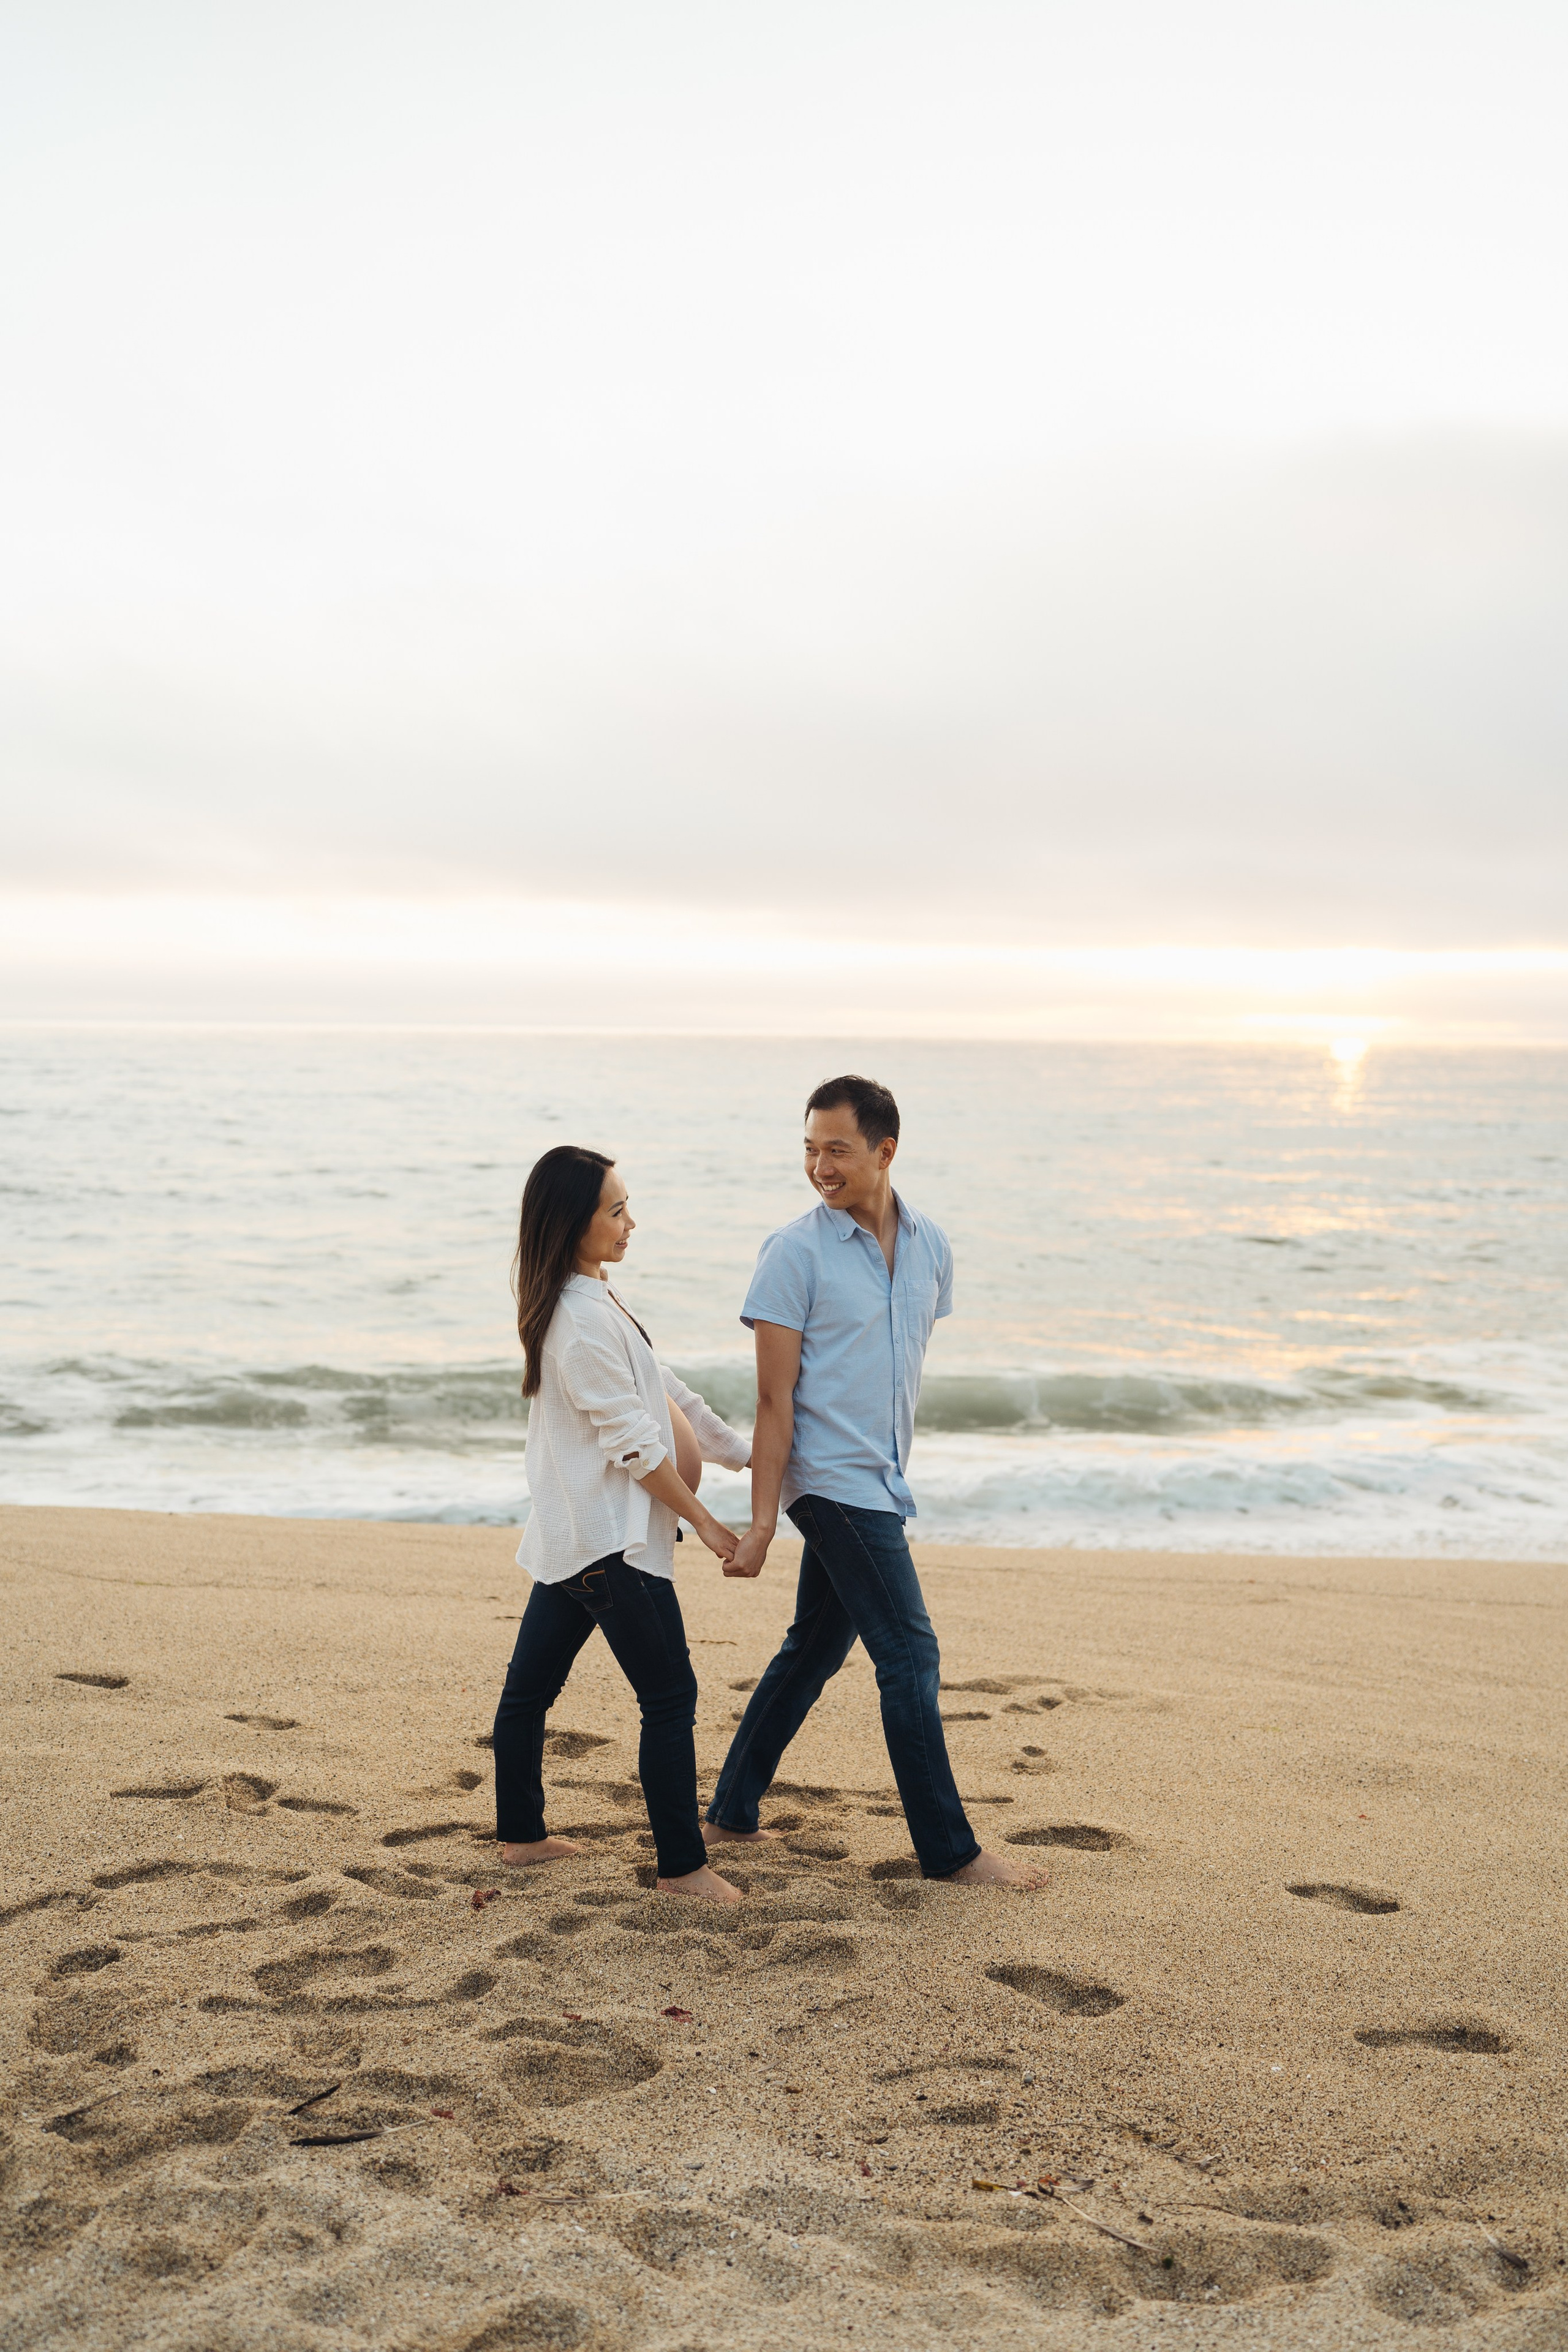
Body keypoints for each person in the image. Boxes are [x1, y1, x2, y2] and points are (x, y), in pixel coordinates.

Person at [706, 1076, 1046, 1890]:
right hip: (829, 1483)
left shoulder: (931, 1247)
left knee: (815, 1647)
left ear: (885, 1151)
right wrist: (761, 1524)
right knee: (909, 1651)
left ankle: (729, 1812)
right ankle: (950, 1853)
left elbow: (900, 1365)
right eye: (810, 1149)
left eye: (838, 1149)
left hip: (881, 1478)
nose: (821, 1166)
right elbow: (772, 1400)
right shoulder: (794, 1253)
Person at [494, 1145, 748, 1904]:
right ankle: (681, 1868)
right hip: (611, 1545)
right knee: (670, 1699)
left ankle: (521, 1836)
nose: (630, 1223)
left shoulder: (593, 1300)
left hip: (578, 1540)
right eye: (616, 1210)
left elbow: (667, 1391)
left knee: (529, 1693)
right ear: (573, 1221)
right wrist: (702, 1521)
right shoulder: (576, 1320)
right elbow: (635, 1443)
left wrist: (747, 1457)